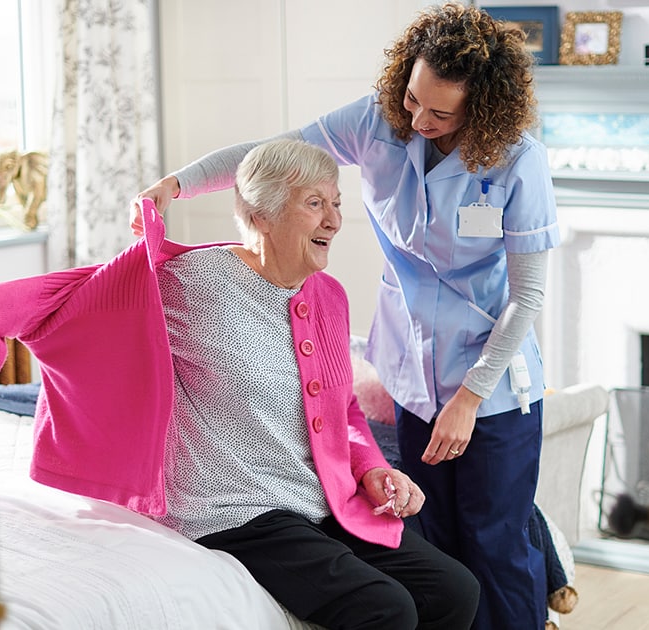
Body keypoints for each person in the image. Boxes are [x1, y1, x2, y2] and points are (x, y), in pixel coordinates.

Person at [132, 4, 559, 628]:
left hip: (491, 385)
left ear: (482, 108)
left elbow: (529, 297)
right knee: (431, 540)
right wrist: (178, 183)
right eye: (413, 99)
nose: (418, 119)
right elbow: (273, 157)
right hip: (413, 374)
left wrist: (469, 398)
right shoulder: (380, 121)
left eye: (440, 113)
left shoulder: (519, 163)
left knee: (495, 547)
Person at [0, 139, 479, 630]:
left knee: (455, 591)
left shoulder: (328, 295)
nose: (333, 220)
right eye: (314, 204)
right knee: (385, 608)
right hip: (231, 508)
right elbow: (25, 302)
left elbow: (343, 408)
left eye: (336, 204)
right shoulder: (190, 279)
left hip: (316, 497)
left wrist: (371, 468)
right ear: (259, 215)